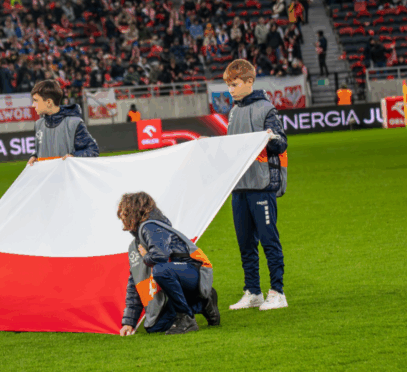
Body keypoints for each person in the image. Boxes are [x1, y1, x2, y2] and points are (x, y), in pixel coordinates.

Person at [223, 59, 289, 312]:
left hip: (261, 185)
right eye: (229, 85)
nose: (230, 89)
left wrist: (271, 139)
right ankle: (253, 292)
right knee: (245, 243)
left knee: (269, 240)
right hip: (239, 186)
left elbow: (281, 144)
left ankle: (278, 292)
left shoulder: (266, 109)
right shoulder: (233, 112)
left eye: (235, 84)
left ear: (249, 81)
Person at [118, 192, 219, 335]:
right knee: (154, 327)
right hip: (181, 275)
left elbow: (160, 256)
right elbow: (135, 281)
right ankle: (202, 303)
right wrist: (129, 322)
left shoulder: (150, 227)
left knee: (161, 271)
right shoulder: (136, 243)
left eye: (123, 212)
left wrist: (146, 256)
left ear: (133, 210)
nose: (121, 217)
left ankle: (186, 318)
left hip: (193, 270)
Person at [27, 80, 99, 166]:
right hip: (46, 174)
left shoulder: (73, 123)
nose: (33, 105)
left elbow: (92, 150)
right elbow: (42, 150)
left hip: (67, 174)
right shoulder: (38, 124)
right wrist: (35, 156)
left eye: (36, 100)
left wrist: (74, 156)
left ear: (49, 102)